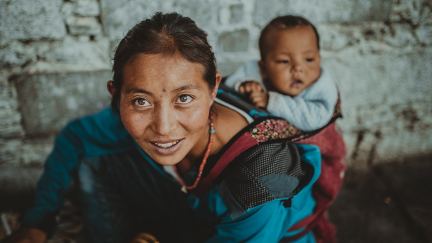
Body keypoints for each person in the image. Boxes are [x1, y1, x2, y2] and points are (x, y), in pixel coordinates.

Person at [8, 12, 323, 243]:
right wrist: (38, 223)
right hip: (193, 210)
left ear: (213, 89)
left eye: (184, 98)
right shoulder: (130, 110)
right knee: (94, 165)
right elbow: (77, 137)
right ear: (117, 95)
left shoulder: (263, 176)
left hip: (257, 235)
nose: (163, 127)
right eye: (141, 102)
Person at [225, 15, 346, 242]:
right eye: (283, 62)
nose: (298, 69)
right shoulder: (255, 70)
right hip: (277, 159)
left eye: (309, 59)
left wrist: (271, 101)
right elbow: (233, 81)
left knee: (302, 199)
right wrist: (245, 86)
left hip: (314, 155)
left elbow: (316, 118)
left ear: (319, 57)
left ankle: (298, 225)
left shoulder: (322, 85)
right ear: (263, 66)